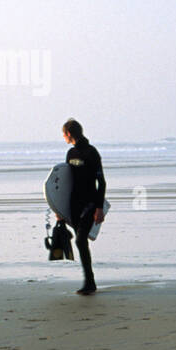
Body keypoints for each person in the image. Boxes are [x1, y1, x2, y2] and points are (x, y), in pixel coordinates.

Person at [60, 118, 106, 295]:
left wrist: (99, 207)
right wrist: (60, 209)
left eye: (63, 134)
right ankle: (90, 281)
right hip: (74, 204)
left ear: (69, 134)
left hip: (90, 203)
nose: (63, 137)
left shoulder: (91, 152)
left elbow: (101, 181)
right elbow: (66, 182)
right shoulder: (70, 154)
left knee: (80, 240)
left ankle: (90, 282)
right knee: (80, 240)